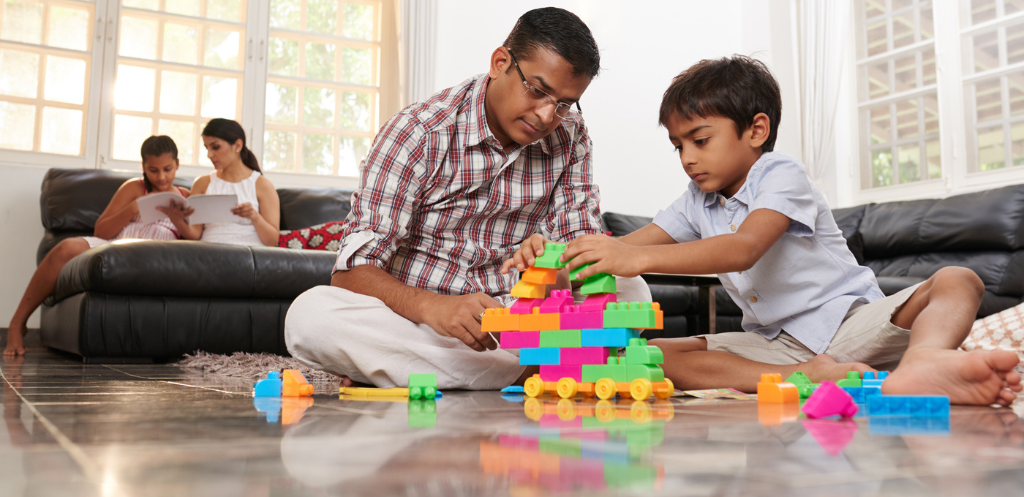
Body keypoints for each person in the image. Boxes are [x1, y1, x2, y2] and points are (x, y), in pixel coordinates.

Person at [561, 56, 1022, 406]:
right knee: (656, 353)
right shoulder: (694, 200)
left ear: (756, 130)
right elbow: (618, 249)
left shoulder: (781, 174)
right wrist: (555, 261)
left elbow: (744, 248)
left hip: (847, 323)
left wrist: (636, 260)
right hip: (777, 345)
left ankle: (924, 361)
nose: (687, 157)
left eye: (700, 140)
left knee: (959, 279)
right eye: (677, 146)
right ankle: (808, 376)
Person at [285, 7, 652, 389]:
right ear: (499, 63)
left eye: (563, 104)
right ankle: (533, 370)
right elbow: (351, 273)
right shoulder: (419, 132)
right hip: (421, 320)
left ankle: (440, 370)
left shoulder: (570, 135)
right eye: (538, 90)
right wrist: (434, 308)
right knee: (310, 317)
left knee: (632, 292)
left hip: (516, 319)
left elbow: (583, 257)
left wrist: (549, 266)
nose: (547, 116)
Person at [4, 136, 193, 356]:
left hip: (156, 254)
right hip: (115, 246)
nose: (161, 177)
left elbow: (194, 240)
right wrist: (133, 208)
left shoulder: (186, 197)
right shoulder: (134, 187)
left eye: (168, 169)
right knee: (65, 248)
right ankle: (17, 322)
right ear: (143, 167)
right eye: (153, 170)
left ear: (177, 165)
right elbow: (101, 231)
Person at [177, 118, 281, 247]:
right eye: (207, 148)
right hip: (209, 255)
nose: (209, 155)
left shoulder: (262, 185)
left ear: (237, 145)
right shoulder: (202, 183)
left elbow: (272, 241)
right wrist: (177, 220)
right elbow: (194, 236)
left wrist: (255, 217)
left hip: (249, 257)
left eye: (215, 147)